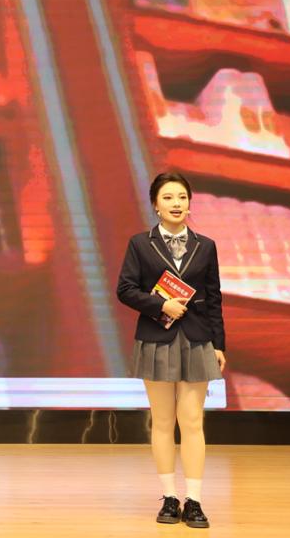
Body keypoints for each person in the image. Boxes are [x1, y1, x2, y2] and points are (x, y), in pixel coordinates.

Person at [117, 171, 226, 529]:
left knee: (192, 421)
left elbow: (214, 299)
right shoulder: (140, 243)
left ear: (190, 203)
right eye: (168, 197)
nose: (176, 203)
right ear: (155, 205)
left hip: (197, 339)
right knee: (163, 421)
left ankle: (194, 501)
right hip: (156, 337)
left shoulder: (205, 245)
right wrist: (160, 305)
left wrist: (219, 344)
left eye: (181, 197)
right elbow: (125, 289)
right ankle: (169, 497)